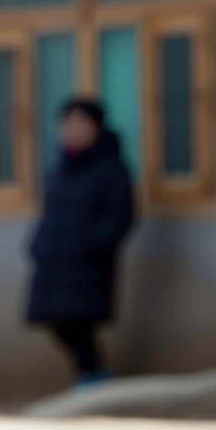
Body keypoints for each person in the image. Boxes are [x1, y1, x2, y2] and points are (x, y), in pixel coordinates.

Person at [26, 97, 135, 386]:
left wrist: (97, 244)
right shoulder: (60, 167)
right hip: (55, 258)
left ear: (96, 128)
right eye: (67, 123)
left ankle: (93, 375)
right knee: (55, 321)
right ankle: (90, 374)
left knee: (80, 322)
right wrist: (38, 243)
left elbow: (122, 214)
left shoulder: (111, 168)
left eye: (79, 123)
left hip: (87, 261)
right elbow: (49, 212)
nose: (71, 129)